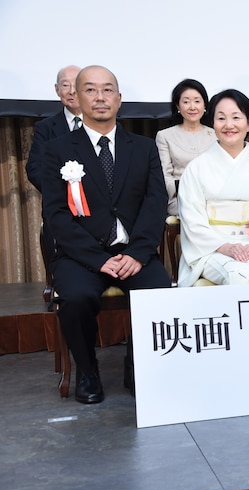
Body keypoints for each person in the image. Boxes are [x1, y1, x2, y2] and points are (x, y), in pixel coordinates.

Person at [41, 65, 170, 404]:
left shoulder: (143, 147)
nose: (100, 97)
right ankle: (87, 371)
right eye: (91, 90)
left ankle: (137, 367)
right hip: (81, 256)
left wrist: (138, 253)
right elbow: (56, 215)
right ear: (76, 98)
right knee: (76, 298)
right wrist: (99, 259)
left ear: (119, 98)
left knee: (158, 290)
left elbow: (155, 205)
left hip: (133, 252)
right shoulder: (57, 149)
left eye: (107, 89)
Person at [178, 89, 249, 286]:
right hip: (213, 249)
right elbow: (192, 218)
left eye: (236, 117)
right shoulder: (197, 168)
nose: (229, 125)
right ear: (212, 123)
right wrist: (225, 247)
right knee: (241, 276)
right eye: (221, 118)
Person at [155, 79, 215, 216]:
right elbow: (164, 174)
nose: (192, 107)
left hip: (213, 197)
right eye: (186, 102)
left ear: (205, 104)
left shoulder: (216, 135)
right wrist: (182, 189)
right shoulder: (165, 136)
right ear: (178, 106)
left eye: (197, 101)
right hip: (181, 198)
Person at [26, 65, 82, 192]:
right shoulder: (45, 128)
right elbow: (35, 168)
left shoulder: (101, 124)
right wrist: (60, 193)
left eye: (77, 84)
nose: (72, 91)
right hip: (59, 204)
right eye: (65, 85)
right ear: (57, 90)